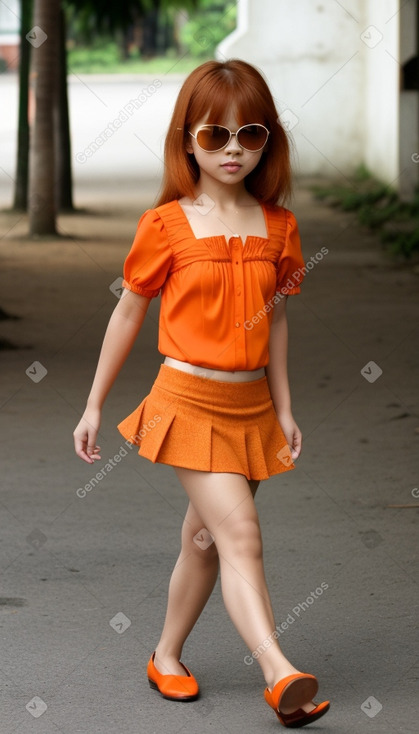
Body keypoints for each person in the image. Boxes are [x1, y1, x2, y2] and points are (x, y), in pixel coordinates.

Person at [73, 59, 330, 728]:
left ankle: (165, 655)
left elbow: (273, 317)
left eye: (249, 133)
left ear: (267, 140)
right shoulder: (165, 225)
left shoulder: (279, 226)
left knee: (205, 541)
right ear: (186, 139)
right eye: (214, 135)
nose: (233, 149)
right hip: (186, 401)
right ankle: (278, 673)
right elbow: (128, 311)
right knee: (239, 532)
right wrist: (95, 402)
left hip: (250, 409)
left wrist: (284, 406)